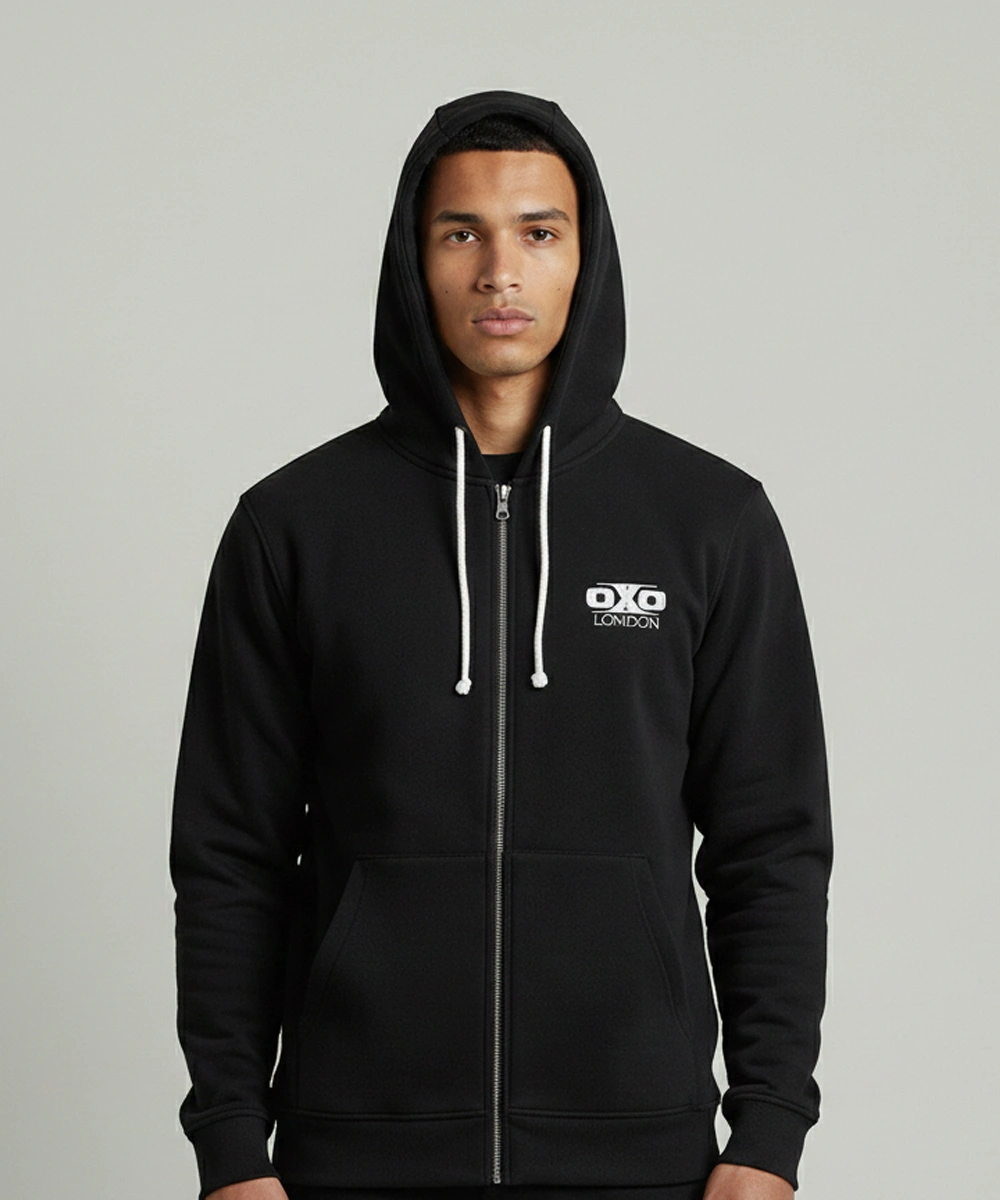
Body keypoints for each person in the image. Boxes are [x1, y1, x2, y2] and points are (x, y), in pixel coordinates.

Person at [170, 89, 833, 1200]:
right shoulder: (294, 526)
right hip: (355, 1155)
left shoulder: (708, 520)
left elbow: (771, 846)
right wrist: (232, 1146)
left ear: (585, 258)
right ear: (413, 259)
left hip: (641, 1157)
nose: (498, 272)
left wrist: (768, 1137)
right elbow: (231, 851)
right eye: (460, 233)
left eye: (537, 231)